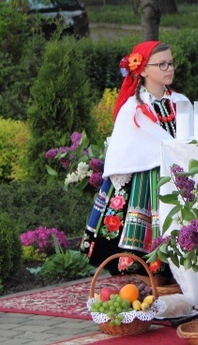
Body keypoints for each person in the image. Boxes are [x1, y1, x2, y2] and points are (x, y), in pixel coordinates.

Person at [80, 41, 191, 275]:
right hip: (145, 176)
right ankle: (145, 264)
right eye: (161, 64)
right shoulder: (133, 109)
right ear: (142, 70)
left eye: (171, 63)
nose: (169, 68)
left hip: (178, 173)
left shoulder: (180, 102)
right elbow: (128, 147)